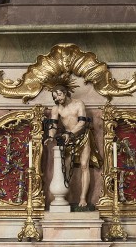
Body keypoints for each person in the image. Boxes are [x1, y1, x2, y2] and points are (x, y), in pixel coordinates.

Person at [43, 79, 100, 210]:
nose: (58, 98)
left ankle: (83, 198)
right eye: (55, 97)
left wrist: (70, 133)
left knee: (85, 165)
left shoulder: (78, 104)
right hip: (67, 139)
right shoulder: (56, 108)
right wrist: (50, 136)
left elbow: (82, 123)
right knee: (66, 167)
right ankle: (63, 198)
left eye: (59, 95)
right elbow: (53, 125)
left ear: (66, 92)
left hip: (82, 136)